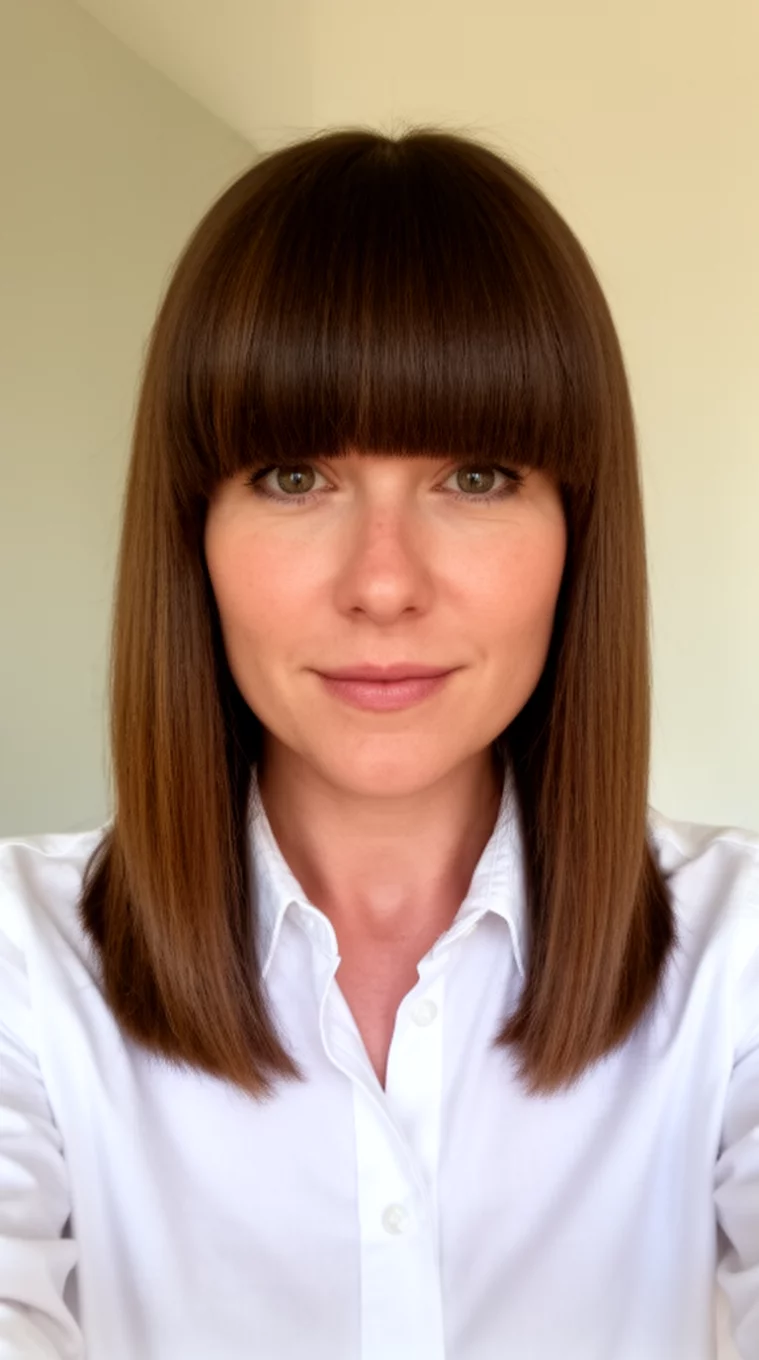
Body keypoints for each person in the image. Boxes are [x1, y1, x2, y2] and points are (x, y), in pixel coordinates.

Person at [0, 126, 756, 1360]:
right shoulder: (25, 969)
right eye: (296, 475)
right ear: (192, 531)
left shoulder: (735, 958)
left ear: (578, 528)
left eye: (476, 475)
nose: (386, 585)